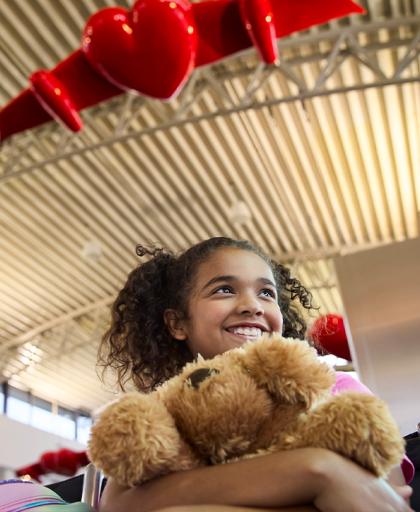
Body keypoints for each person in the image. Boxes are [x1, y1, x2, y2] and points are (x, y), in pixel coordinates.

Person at [97, 237, 414, 512]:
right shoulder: (166, 411)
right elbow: (118, 505)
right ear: (177, 323)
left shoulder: (333, 388)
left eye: (266, 293)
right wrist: (318, 471)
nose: (253, 305)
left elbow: (383, 500)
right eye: (224, 289)